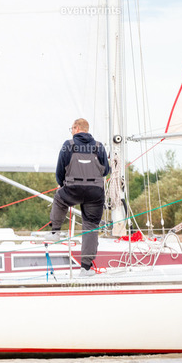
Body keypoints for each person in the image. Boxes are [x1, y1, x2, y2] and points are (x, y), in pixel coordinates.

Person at [47, 118, 110, 277]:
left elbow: (60, 171)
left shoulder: (67, 145)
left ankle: (55, 232)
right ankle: (85, 268)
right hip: (95, 193)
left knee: (59, 199)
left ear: (76, 128)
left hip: (72, 189)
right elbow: (105, 171)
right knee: (91, 226)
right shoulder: (99, 147)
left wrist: (62, 185)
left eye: (72, 129)